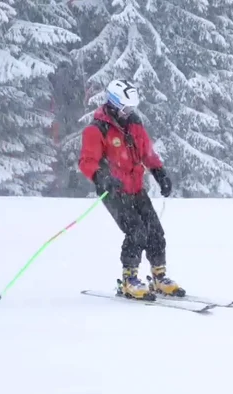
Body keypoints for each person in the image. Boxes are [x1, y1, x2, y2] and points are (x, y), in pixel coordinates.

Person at [78, 79, 181, 301]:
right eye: (126, 108)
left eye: (132, 108)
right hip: (114, 192)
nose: (129, 112)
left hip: (136, 188)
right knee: (136, 232)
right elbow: (87, 161)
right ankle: (129, 280)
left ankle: (159, 276)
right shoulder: (97, 130)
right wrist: (102, 178)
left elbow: (147, 153)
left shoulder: (134, 124)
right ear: (113, 104)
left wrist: (159, 172)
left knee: (155, 230)